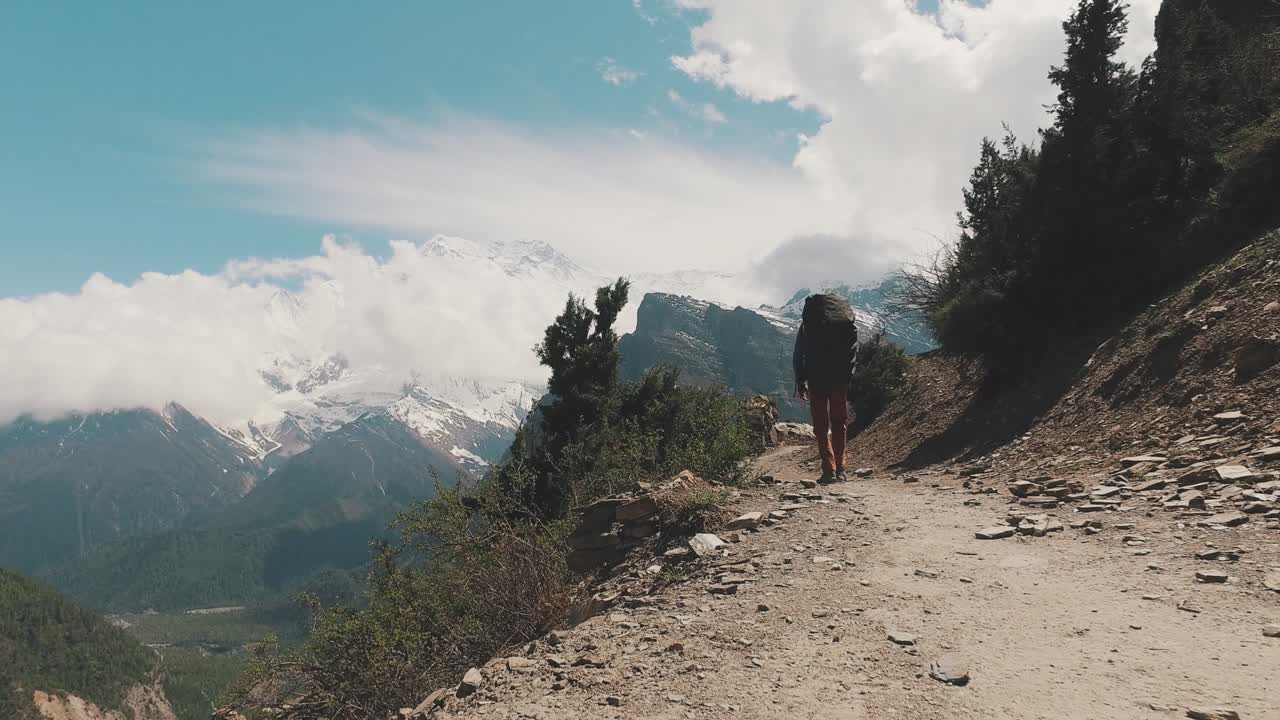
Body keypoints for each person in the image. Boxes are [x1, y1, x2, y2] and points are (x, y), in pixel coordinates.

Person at [793, 293, 859, 483]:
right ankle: (841, 469)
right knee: (840, 423)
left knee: (821, 426)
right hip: (839, 380)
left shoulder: (808, 326)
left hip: (816, 380)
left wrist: (800, 381)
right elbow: (853, 350)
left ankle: (828, 470)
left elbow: (799, 354)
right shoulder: (845, 325)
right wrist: (849, 376)